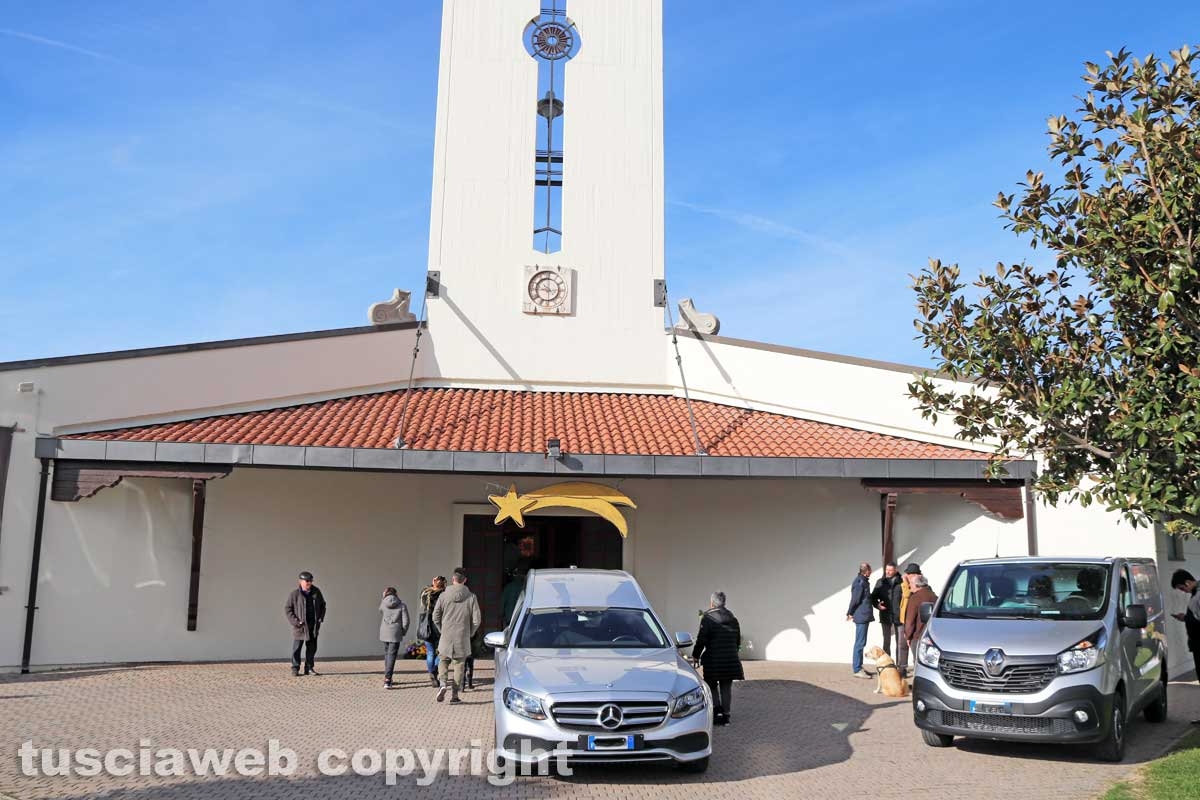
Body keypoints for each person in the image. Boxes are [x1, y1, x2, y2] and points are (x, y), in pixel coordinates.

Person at [692, 591, 744, 725]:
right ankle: (726, 715)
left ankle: (717, 711)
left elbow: (701, 639)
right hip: (730, 660)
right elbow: (737, 641)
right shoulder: (733, 619)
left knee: (711, 684)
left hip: (713, 660)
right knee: (726, 687)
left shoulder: (708, 618)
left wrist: (696, 655)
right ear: (724, 603)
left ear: (712, 603)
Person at [432, 567, 482, 704]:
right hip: (462, 635)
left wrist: (442, 629)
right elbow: (477, 619)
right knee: (459, 665)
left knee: (443, 660)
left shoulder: (443, 595)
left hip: (446, 634)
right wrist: (470, 632)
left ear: (453, 579)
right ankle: (454, 695)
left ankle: (442, 683)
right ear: (465, 580)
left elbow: (435, 616)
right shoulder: (471, 597)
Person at [285, 571, 327, 677]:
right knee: (297, 648)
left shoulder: (316, 592)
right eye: (307, 581)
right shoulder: (295, 594)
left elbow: (323, 605)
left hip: (313, 625)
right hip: (300, 626)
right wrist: (296, 622)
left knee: (311, 648)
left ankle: (309, 668)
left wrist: (320, 618)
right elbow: (288, 609)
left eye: (311, 581)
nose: (309, 583)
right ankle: (295, 668)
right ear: (301, 581)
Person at [1170, 570, 1200, 710]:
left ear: (1187, 582)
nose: (1184, 591)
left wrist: (1187, 618)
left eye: (1182, 588)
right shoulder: (1196, 594)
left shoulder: (1198, 595)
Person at [846, 562, 874, 679]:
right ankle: (857, 669)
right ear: (866, 571)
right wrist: (850, 612)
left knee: (861, 642)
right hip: (861, 616)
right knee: (860, 643)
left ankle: (859, 666)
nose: (871, 571)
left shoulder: (863, 581)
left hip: (864, 615)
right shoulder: (860, 582)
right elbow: (855, 600)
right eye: (870, 570)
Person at [417, 576, 446, 687]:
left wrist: (433, 584)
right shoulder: (444, 595)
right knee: (442, 652)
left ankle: (432, 673)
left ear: (434, 582)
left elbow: (424, 593)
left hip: (427, 627)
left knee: (430, 652)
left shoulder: (426, 594)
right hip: (440, 627)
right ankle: (435, 670)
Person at [379, 587, 410, 689]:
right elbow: (406, 621)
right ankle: (388, 679)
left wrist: (383, 597)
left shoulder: (383, 603)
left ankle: (387, 677)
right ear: (396, 593)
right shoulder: (402, 605)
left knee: (387, 654)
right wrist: (403, 632)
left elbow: (380, 611)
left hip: (384, 632)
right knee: (392, 656)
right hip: (396, 633)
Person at [870, 563, 903, 657]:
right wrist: (877, 605)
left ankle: (900, 666)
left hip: (899, 616)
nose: (888, 572)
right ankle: (887, 664)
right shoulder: (881, 582)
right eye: (886, 569)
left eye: (890, 570)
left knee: (900, 642)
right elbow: (873, 597)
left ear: (895, 570)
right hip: (885, 615)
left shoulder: (902, 582)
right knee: (886, 641)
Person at [895, 563, 921, 677]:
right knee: (902, 645)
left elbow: (907, 594)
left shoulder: (916, 585)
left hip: (913, 621)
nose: (906, 576)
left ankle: (918, 670)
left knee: (914, 646)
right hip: (904, 620)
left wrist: (905, 582)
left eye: (908, 574)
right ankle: (902, 669)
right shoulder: (903, 585)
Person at [904, 574, 937, 650]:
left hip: (918, 636)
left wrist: (908, 636)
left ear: (917, 585)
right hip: (932, 636)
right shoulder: (934, 596)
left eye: (911, 583)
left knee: (917, 660)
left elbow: (910, 620)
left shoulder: (915, 597)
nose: (909, 585)